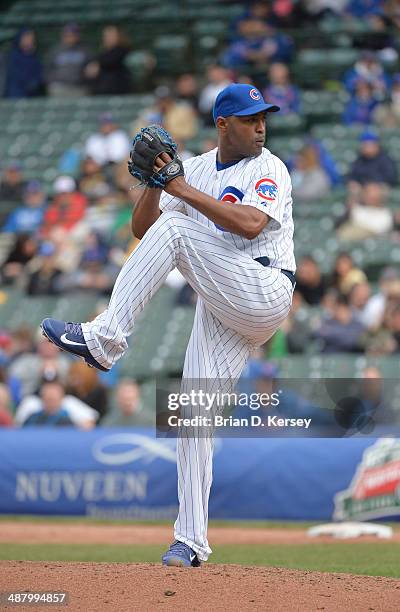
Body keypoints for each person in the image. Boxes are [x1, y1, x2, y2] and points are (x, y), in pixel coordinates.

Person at [41, 83, 295, 567]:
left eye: (264, 117)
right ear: (223, 125)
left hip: (264, 287)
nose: (261, 125)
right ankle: (191, 541)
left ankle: (105, 339)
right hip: (222, 300)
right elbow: (143, 229)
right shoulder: (196, 167)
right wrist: (153, 183)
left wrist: (178, 188)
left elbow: (249, 225)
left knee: (178, 228)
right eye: (250, 118)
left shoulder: (270, 167)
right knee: (192, 415)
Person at [84, 25, 131, 96]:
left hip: (116, 90)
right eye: (106, 36)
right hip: (100, 91)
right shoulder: (103, 53)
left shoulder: (122, 50)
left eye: (111, 35)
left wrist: (97, 64)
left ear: (118, 36)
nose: (108, 38)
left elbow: (111, 60)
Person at [45, 23, 90, 97]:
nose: (70, 37)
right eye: (67, 35)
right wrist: (51, 83)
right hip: (60, 87)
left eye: (73, 35)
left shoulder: (85, 51)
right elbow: (47, 69)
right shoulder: (55, 51)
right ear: (63, 36)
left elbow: (92, 66)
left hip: (79, 87)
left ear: (77, 36)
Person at [4, 28, 43, 98]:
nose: (29, 40)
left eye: (31, 38)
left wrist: (34, 83)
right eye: (26, 38)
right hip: (16, 94)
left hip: (33, 94)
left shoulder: (35, 57)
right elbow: (15, 77)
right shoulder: (13, 56)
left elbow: (39, 76)